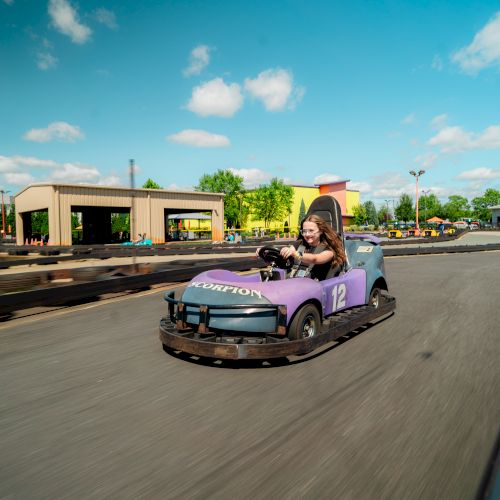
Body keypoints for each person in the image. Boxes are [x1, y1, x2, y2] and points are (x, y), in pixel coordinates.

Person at [257, 214, 346, 281]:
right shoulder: (299, 244)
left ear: (321, 231)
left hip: (316, 289)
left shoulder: (329, 250)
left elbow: (315, 259)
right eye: (304, 231)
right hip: (295, 284)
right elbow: (287, 251)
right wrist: (265, 252)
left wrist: (296, 254)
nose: (307, 235)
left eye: (311, 231)